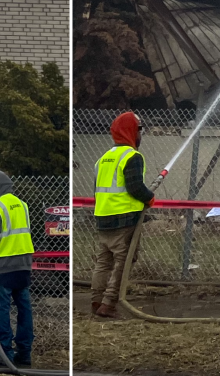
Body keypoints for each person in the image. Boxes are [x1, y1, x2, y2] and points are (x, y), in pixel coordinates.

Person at [89, 110, 155, 319]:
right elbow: (135, 186)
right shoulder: (132, 157)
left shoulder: (104, 159)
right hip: (124, 219)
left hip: (103, 218)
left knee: (103, 262)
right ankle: (109, 304)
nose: (140, 136)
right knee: (123, 262)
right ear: (132, 131)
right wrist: (150, 198)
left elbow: (97, 189)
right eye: (139, 131)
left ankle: (96, 300)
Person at [0, 170, 34, 368]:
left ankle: (4, 353)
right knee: (24, 309)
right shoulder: (23, 205)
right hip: (24, 267)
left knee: (1, 311)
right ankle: (25, 353)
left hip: (2, 269)